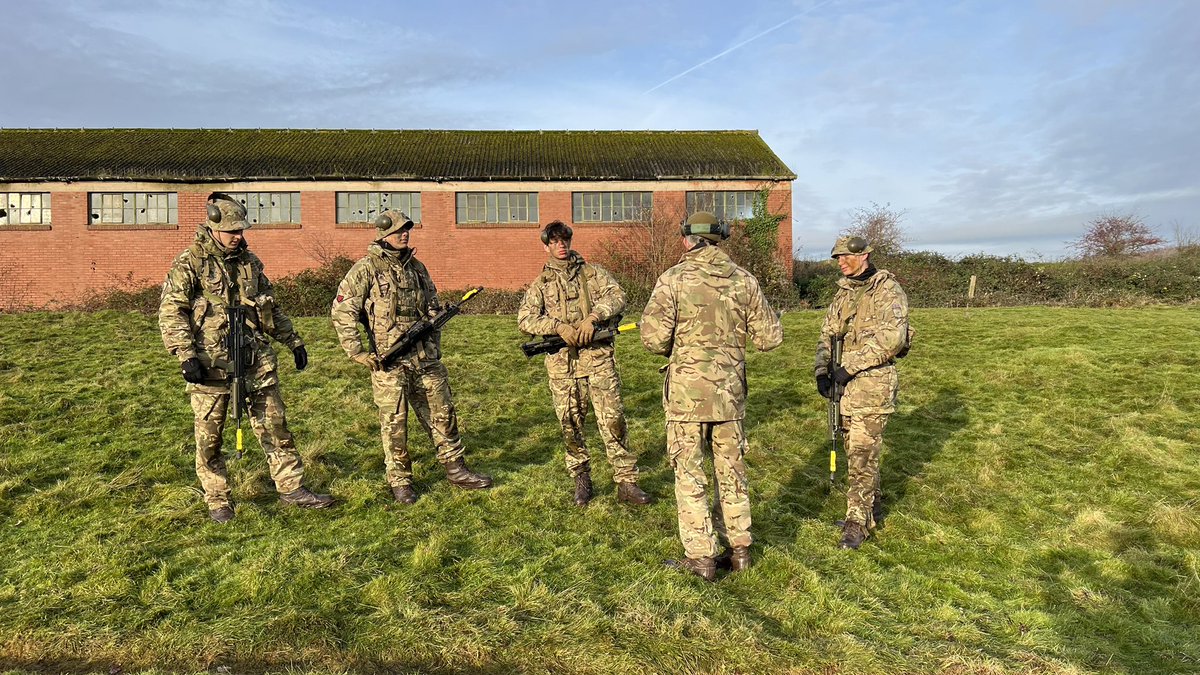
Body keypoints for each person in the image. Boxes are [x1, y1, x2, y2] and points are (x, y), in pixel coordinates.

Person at [158, 192, 334, 523]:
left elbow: (271, 307)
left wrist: (292, 340)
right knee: (210, 435)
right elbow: (171, 311)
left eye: (241, 230)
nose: (239, 236)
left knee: (275, 426)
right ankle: (218, 498)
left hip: (256, 359)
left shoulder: (250, 263)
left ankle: (291, 489)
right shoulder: (190, 263)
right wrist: (185, 354)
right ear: (213, 227)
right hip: (211, 363)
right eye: (232, 231)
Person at [641, 211, 783, 581]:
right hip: (729, 396)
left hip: (687, 397)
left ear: (688, 239)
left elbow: (653, 340)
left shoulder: (672, 280)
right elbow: (770, 338)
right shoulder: (745, 281)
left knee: (690, 473)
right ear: (721, 238)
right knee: (732, 471)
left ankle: (702, 557)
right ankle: (739, 550)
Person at [331, 210, 492, 504]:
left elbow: (431, 305)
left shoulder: (417, 267)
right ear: (382, 235)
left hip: (425, 358)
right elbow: (343, 311)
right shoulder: (365, 269)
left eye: (407, 229)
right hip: (389, 361)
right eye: (398, 231)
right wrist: (356, 352)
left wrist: (434, 322)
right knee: (394, 422)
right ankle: (401, 481)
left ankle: (455, 468)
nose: (404, 234)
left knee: (442, 414)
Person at [517, 221, 651, 507]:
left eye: (564, 239)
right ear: (546, 246)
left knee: (613, 420)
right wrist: (557, 327)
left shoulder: (593, 273)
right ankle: (582, 478)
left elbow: (618, 296)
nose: (560, 245)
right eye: (554, 242)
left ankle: (626, 480)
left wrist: (594, 317)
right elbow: (525, 320)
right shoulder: (541, 284)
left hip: (599, 361)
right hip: (563, 367)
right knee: (570, 425)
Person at [815, 235, 910, 550]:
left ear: (864, 255)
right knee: (851, 447)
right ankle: (871, 507)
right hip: (844, 388)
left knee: (862, 454)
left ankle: (857, 523)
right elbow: (827, 333)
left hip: (872, 386)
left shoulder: (887, 291)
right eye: (837, 258)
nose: (840, 263)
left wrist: (848, 367)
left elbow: (892, 339)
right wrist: (822, 371)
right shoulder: (843, 293)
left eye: (845, 257)